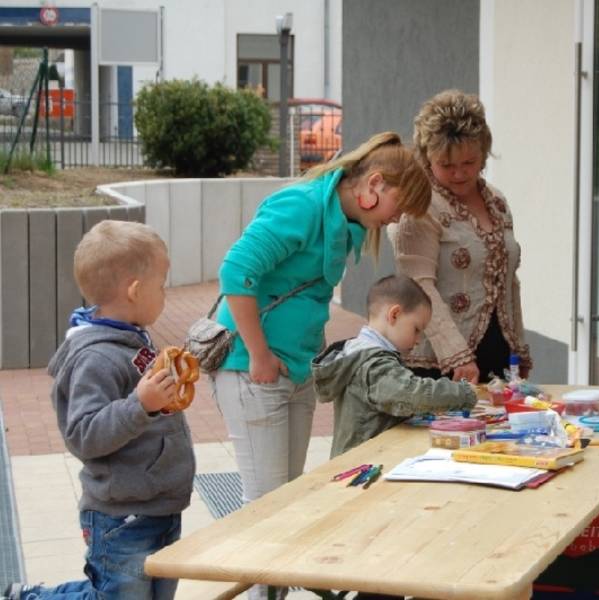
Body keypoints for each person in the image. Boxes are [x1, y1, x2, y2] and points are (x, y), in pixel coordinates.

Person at [210, 132, 430, 599]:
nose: (396, 220)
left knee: (287, 507)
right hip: (254, 368)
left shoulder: (344, 220)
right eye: (400, 206)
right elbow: (235, 272)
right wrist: (262, 355)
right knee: (266, 512)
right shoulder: (303, 206)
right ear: (373, 185)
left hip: (293, 370)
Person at [3, 221, 194, 600]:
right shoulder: (95, 357)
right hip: (122, 517)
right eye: (162, 285)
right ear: (135, 291)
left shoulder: (130, 334)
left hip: (161, 505)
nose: (165, 294)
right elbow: (85, 435)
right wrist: (141, 404)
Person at [389, 89, 531, 384]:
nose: (459, 174)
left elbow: (508, 281)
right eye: (446, 165)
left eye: (469, 162)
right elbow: (418, 286)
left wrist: (518, 345)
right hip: (440, 362)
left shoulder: (496, 201)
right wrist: (457, 355)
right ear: (427, 158)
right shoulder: (420, 206)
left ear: (484, 153)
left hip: (497, 353)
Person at [313, 274, 477, 458]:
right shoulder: (374, 363)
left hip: (362, 459)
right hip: (362, 465)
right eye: (416, 329)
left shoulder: (360, 352)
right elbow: (412, 394)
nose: (417, 341)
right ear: (394, 314)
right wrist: (463, 393)